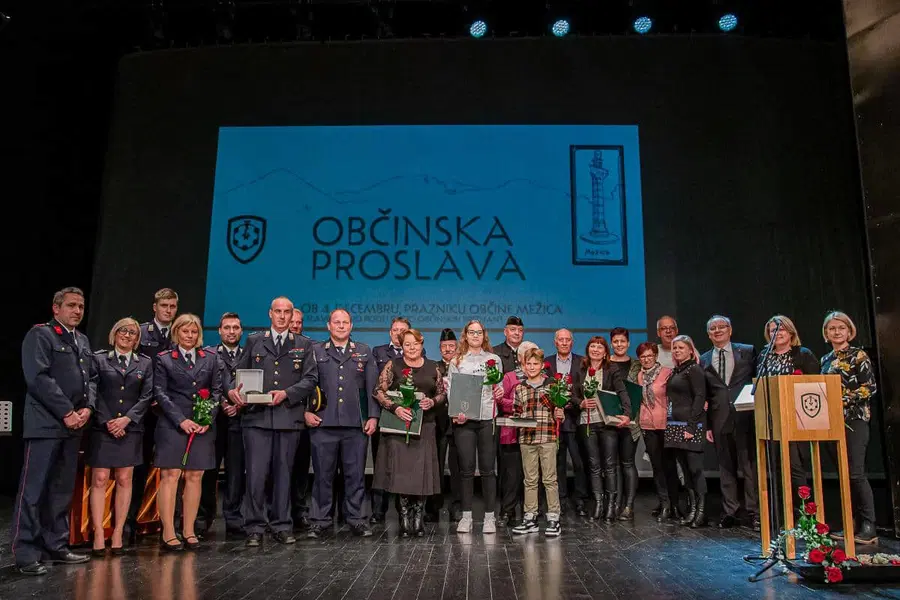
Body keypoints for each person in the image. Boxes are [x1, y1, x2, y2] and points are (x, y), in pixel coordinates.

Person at [10, 287, 93, 575]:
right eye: (71, 305)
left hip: (74, 427)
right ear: (56, 308)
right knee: (33, 491)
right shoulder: (40, 335)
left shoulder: (81, 339)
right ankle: (26, 552)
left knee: (61, 490)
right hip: (46, 425)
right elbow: (38, 378)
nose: (77, 311)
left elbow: (90, 378)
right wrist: (67, 412)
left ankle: (56, 545)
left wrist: (87, 408)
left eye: (81, 306)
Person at [226, 297, 318, 547]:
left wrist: (287, 394)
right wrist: (233, 391)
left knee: (284, 475)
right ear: (270, 314)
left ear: (292, 316)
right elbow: (237, 374)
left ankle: (281, 525)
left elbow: (310, 379)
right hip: (256, 418)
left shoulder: (303, 344)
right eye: (278, 311)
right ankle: (254, 527)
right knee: (255, 476)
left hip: (288, 418)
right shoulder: (255, 341)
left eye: (287, 312)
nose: (282, 316)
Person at [306, 309, 379, 539]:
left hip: (354, 424)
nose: (340, 326)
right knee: (322, 476)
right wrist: (305, 412)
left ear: (351, 325)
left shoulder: (364, 352)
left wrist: (373, 416)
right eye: (336, 322)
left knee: (355, 475)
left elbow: (372, 388)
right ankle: (319, 520)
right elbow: (306, 384)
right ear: (328, 326)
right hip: (323, 422)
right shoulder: (316, 351)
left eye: (345, 322)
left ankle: (356, 519)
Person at [154, 313, 222, 551]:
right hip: (173, 425)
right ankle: (169, 532)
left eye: (194, 332)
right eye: (185, 332)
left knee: (195, 476)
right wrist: (181, 420)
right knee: (170, 476)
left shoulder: (210, 358)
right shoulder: (164, 359)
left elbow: (216, 391)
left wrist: (207, 418)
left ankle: (189, 530)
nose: (190, 336)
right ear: (176, 333)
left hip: (201, 425)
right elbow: (160, 393)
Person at [87, 317, 153, 555]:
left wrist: (127, 419)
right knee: (100, 479)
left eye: (133, 333)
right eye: (123, 331)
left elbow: (146, 396)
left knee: (126, 479)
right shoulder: (99, 359)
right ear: (114, 333)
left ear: (138, 339)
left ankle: (117, 533)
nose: (127, 335)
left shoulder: (144, 363)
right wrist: (107, 421)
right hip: (103, 428)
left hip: (131, 429)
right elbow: (93, 391)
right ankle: (97, 532)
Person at [373, 328, 446, 537]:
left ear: (422, 344)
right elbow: (378, 390)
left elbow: (442, 393)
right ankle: (404, 517)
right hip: (399, 427)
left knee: (421, 474)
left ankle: (418, 518)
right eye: (407, 344)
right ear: (401, 346)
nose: (411, 348)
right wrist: (395, 407)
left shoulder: (433, 367)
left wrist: (432, 401)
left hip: (425, 427)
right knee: (402, 474)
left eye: (415, 344)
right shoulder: (393, 365)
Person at [820, 311, 878, 545]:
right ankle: (849, 521)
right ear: (826, 333)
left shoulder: (858, 355)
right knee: (843, 475)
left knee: (856, 473)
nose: (836, 332)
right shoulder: (825, 360)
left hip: (855, 419)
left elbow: (870, 388)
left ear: (849, 330)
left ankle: (869, 524)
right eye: (832, 328)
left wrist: (842, 398)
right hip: (831, 422)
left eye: (841, 328)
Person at [699, 315, 759, 530]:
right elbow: (705, 394)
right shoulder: (704, 359)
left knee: (749, 466)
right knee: (725, 468)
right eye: (713, 328)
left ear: (730, 330)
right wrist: (706, 425)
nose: (717, 331)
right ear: (708, 334)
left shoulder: (748, 351)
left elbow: (757, 382)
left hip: (745, 417)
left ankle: (754, 513)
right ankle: (730, 511)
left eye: (721, 327)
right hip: (719, 418)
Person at [129, 287, 178, 541]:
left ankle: (170, 523)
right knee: (138, 467)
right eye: (164, 306)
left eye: (172, 306)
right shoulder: (141, 332)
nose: (168, 310)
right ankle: (131, 522)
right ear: (155, 307)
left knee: (173, 469)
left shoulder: (181, 333)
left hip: (171, 413)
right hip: (145, 412)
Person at [447, 319, 503, 533]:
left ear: (484, 335)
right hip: (464, 422)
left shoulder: (494, 359)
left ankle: (490, 517)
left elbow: (498, 388)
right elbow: (452, 391)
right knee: (467, 470)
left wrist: (499, 392)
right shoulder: (457, 361)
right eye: (472, 332)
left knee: (489, 470)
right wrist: (456, 413)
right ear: (466, 335)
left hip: (487, 419)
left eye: (479, 332)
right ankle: (466, 516)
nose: (475, 336)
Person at [756, 315, 819, 493]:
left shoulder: (803, 354)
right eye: (773, 330)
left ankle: (805, 515)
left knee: (795, 467)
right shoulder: (764, 357)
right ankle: (783, 515)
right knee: (776, 469)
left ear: (790, 332)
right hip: (772, 420)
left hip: (797, 419)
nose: (777, 333)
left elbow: (815, 386)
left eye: (781, 329)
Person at [571, 336, 631, 522]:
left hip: (607, 422)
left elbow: (622, 392)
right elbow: (571, 394)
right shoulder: (580, 369)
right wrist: (581, 402)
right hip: (587, 422)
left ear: (605, 352)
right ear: (588, 349)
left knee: (610, 465)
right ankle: (598, 504)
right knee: (594, 466)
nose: (595, 350)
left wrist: (627, 413)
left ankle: (611, 506)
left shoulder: (611, 369)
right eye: (592, 346)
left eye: (600, 347)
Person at [511, 347, 565, 537]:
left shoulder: (552, 386)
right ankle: (530, 517)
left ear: (542, 366)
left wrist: (560, 412)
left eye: (536, 364)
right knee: (530, 479)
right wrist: (515, 421)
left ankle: (553, 517)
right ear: (524, 366)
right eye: (529, 364)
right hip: (527, 438)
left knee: (549, 479)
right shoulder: (519, 388)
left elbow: (559, 411)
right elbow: (516, 412)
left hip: (547, 437)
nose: (532, 367)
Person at [370, 316, 414, 523]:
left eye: (402, 330)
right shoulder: (378, 352)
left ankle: (402, 510)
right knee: (382, 464)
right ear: (390, 332)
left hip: (405, 417)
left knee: (402, 464)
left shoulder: (417, 353)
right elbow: (373, 385)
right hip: (384, 414)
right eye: (395, 329)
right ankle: (378, 511)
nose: (398, 333)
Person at [207, 312, 245, 537]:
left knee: (236, 473)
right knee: (208, 472)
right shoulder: (210, 354)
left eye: (236, 327)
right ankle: (203, 519)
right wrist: (222, 402)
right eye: (227, 327)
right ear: (219, 331)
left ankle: (233, 520)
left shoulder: (249, 354)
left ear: (241, 331)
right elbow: (206, 382)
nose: (232, 331)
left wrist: (238, 406)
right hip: (214, 422)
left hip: (240, 420)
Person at [664, 335, 708, 528]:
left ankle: (701, 512)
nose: (677, 351)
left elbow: (700, 397)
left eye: (681, 347)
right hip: (675, 425)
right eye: (674, 348)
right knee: (685, 470)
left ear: (690, 350)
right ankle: (692, 509)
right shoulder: (676, 371)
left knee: (695, 469)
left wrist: (691, 426)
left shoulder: (694, 369)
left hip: (691, 426)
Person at [545, 329, 589, 517]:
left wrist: (571, 404)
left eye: (567, 340)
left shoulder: (582, 362)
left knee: (579, 462)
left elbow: (584, 391)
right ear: (555, 342)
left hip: (575, 419)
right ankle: (560, 499)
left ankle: (580, 499)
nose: (564, 343)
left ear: (572, 342)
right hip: (553, 420)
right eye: (560, 340)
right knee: (558, 463)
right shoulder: (547, 363)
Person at [497, 341, 539, 526]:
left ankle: (531, 511)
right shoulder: (509, 377)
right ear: (521, 358)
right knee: (511, 475)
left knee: (531, 474)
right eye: (527, 356)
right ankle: (507, 511)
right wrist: (517, 404)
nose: (531, 360)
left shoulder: (543, 378)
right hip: (512, 432)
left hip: (535, 433)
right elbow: (500, 400)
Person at [634, 342, 674, 521]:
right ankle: (664, 502)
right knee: (656, 467)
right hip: (647, 426)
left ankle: (674, 503)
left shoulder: (667, 373)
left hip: (665, 424)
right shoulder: (640, 376)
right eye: (643, 357)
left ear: (656, 356)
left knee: (669, 466)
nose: (646, 359)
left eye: (649, 355)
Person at [425, 328, 462, 522]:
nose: (448, 349)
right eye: (444, 347)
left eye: (451, 346)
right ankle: (433, 508)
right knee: (435, 466)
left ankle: (457, 507)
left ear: (457, 348)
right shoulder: (433, 367)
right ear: (439, 349)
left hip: (458, 424)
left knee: (457, 467)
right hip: (437, 423)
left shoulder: (462, 365)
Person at [289, 308, 313, 529]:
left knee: (300, 469)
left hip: (303, 419)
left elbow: (314, 384)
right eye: (292, 321)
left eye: (299, 322)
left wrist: (308, 410)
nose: (295, 325)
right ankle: (274, 512)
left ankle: (300, 512)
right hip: (278, 416)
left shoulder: (310, 347)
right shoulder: (269, 347)